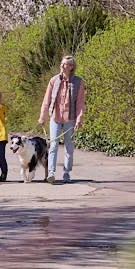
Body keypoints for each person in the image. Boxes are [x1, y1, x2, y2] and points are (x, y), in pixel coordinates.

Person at [39, 55, 85, 184]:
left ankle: (66, 172)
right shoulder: (54, 80)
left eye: (66, 64)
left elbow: (80, 103)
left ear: (71, 67)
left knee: (68, 147)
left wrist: (79, 119)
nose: (62, 66)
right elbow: (46, 99)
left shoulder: (78, 82)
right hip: (55, 118)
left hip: (70, 119)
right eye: (62, 63)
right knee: (53, 145)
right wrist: (43, 115)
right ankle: (51, 173)